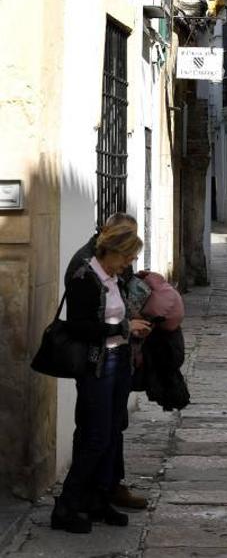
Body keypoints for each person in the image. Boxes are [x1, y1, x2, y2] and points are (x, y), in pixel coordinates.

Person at [51, 222, 152, 534]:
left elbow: (113, 315)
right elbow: (80, 327)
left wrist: (130, 324)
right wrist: (124, 328)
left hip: (117, 362)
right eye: (128, 257)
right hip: (98, 367)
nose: (130, 264)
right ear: (114, 251)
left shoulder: (112, 277)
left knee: (109, 434)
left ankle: (96, 498)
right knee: (94, 438)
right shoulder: (86, 277)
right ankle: (66, 506)